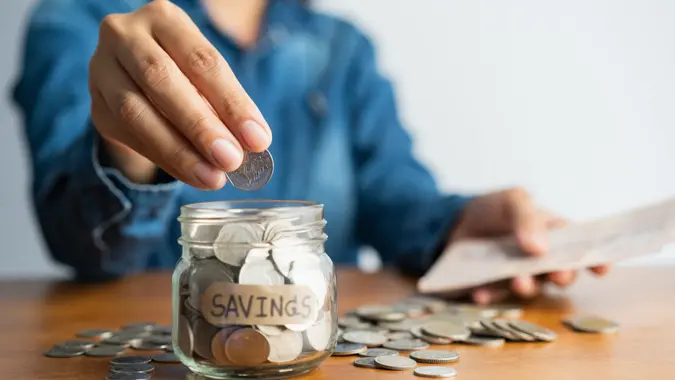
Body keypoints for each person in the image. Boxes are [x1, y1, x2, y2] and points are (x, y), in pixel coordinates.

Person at [12, 0, 608, 304]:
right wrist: (124, 143)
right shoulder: (83, 21)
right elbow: (81, 243)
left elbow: (393, 194)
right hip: (166, 345)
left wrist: (457, 224)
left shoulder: (342, 48)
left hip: (313, 336)